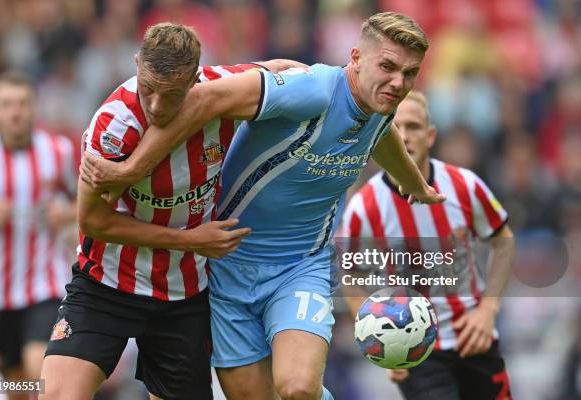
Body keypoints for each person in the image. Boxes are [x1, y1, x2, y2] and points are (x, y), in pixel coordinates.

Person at [80, 12, 445, 400]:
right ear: (355, 57)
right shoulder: (314, 91)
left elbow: (382, 133)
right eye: (388, 67)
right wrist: (132, 169)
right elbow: (203, 97)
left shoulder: (378, 104)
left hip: (301, 267)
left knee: (298, 387)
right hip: (226, 266)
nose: (398, 83)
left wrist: (415, 184)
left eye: (410, 74)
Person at [40, 22, 303, 400]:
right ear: (137, 63)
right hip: (108, 284)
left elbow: (286, 71)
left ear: (196, 79)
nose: (158, 106)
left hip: (184, 294)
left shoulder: (222, 89)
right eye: (148, 89)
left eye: (173, 94)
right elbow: (93, 221)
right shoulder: (113, 126)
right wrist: (189, 240)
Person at [340, 91, 514, 399]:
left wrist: (488, 309)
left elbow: (503, 241)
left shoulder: (465, 186)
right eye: (393, 127)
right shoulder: (364, 206)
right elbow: (349, 275)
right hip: (416, 348)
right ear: (379, 136)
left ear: (430, 135)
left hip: (475, 337)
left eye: (414, 126)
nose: (404, 136)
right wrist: (376, 336)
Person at [0, 71, 77, 400]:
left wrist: (68, 213)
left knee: (37, 369)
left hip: (45, 285)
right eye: (6, 104)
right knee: (15, 384)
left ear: (34, 108)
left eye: (22, 103)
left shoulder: (58, 151)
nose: (15, 112)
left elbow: (85, 200)